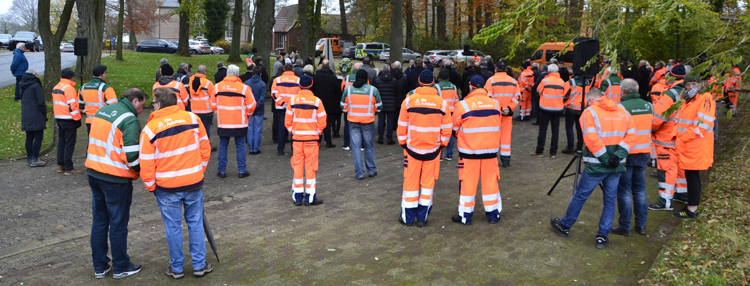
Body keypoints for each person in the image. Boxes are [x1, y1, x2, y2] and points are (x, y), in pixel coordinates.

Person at [138, 88, 212, 279]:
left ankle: (177, 268)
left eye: (153, 103)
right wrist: (199, 170)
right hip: (194, 182)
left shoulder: (150, 128)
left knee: (173, 227)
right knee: (195, 223)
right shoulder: (193, 119)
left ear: (159, 104)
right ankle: (199, 265)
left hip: (167, 187)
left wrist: (150, 185)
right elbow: (205, 147)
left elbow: (146, 162)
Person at [550, 88, 637, 249]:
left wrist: (605, 158)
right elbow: (632, 135)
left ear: (590, 100)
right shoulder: (623, 112)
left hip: (597, 165)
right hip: (616, 165)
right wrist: (617, 156)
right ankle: (602, 236)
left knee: (580, 196)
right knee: (610, 200)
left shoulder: (589, 113)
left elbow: (591, 139)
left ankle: (565, 226)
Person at [86, 87, 147, 279]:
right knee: (118, 224)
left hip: (94, 172)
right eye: (142, 105)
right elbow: (131, 156)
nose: (142, 111)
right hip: (115, 179)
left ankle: (99, 266)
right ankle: (121, 266)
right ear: (135, 101)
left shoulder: (103, 110)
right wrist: (143, 172)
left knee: (99, 221)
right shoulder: (129, 120)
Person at [397, 70, 451, 227]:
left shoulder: (409, 101)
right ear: (433, 82)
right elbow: (447, 128)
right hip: (433, 151)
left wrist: (403, 144)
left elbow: (401, 125)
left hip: (412, 149)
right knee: (427, 186)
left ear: (419, 82)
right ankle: (422, 219)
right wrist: (442, 144)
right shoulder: (441, 103)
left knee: (410, 184)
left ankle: (407, 218)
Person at [451, 75, 503, 225]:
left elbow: (455, 128)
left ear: (470, 86)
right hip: (490, 152)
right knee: (491, 183)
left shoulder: (463, 105)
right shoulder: (495, 104)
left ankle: (465, 216)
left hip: (469, 153)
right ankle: (493, 215)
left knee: (467, 184)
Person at [612, 79, 653, 237]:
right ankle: (641, 225)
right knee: (640, 190)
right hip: (644, 152)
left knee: (624, 191)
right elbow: (653, 125)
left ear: (622, 91)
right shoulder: (648, 105)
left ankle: (625, 226)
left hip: (627, 153)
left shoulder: (620, 108)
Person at [673, 75, 715, 219]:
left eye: (693, 84)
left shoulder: (705, 98)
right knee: (691, 176)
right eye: (687, 85)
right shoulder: (687, 100)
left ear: (699, 84)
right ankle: (691, 206)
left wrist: (683, 138)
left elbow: (702, 124)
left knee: (692, 176)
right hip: (689, 144)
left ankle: (691, 209)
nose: (690, 87)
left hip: (695, 145)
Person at [285, 75, 327, 206]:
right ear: (311, 84)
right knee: (311, 168)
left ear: (299, 85)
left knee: (297, 167)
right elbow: (322, 121)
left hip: (297, 140)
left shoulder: (292, 101)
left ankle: (297, 197)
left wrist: (295, 132)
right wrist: (317, 132)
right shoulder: (317, 101)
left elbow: (287, 122)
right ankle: (310, 197)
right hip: (312, 140)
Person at [215, 65, 257, 178]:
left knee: (223, 146)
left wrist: (220, 113)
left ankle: (221, 171)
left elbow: (212, 104)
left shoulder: (217, 87)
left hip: (223, 122)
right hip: (240, 123)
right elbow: (252, 105)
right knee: (241, 146)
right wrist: (246, 115)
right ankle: (242, 170)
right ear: (237, 74)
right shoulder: (243, 88)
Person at [341, 69, 382, 179]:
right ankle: (372, 170)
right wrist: (373, 112)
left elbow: (342, 106)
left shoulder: (348, 90)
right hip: (368, 122)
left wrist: (349, 111)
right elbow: (379, 107)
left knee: (356, 147)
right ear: (366, 79)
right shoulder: (373, 90)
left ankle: (359, 173)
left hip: (353, 122)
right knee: (369, 146)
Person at [647, 76, 678, 211]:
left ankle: (665, 201)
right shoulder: (693, 93)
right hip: (680, 139)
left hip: (666, 139)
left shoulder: (670, 94)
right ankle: (681, 195)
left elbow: (657, 119)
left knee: (666, 170)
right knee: (676, 168)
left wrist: (651, 129)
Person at [485, 62, 520, 167]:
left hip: (494, 114)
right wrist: (509, 108)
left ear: (496, 69)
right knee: (506, 137)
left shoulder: (490, 80)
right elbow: (517, 96)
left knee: (493, 136)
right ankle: (506, 160)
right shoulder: (513, 81)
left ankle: (492, 158)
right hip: (507, 114)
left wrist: (499, 108)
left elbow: (488, 97)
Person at [531, 64, 565, 158]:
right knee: (555, 131)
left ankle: (540, 151)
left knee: (543, 130)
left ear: (549, 71)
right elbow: (565, 94)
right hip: (558, 109)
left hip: (545, 108)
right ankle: (553, 153)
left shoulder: (545, 80)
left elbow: (538, 91)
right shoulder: (562, 82)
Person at [53, 68, 83, 174]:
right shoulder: (69, 88)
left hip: (59, 118)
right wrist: (77, 119)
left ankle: (61, 165)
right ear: (71, 77)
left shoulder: (56, 87)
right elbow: (73, 105)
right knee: (69, 143)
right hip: (69, 119)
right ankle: (69, 167)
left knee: (61, 142)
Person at [271, 63, 301, 155]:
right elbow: (300, 94)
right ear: (293, 69)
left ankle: (280, 149)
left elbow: (274, 93)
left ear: (284, 69)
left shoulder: (277, 80)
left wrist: (283, 103)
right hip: (294, 108)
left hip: (280, 108)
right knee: (294, 129)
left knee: (281, 129)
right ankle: (294, 150)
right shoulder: (298, 80)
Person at [20, 69, 47, 167]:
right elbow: (41, 102)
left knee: (29, 137)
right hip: (36, 114)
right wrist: (44, 112)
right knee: (38, 136)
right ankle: (35, 158)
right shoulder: (36, 86)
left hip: (26, 114)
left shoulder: (22, 85)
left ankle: (29, 158)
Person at [187, 65, 217, 151]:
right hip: (206, 111)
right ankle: (206, 147)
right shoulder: (208, 83)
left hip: (194, 110)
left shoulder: (191, 81)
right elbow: (213, 96)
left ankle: (197, 146)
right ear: (204, 72)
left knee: (196, 130)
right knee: (206, 130)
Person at [80, 65, 118, 133]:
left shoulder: (83, 87)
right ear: (101, 74)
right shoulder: (106, 88)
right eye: (105, 73)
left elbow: (80, 106)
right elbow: (114, 107)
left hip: (89, 121)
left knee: (91, 142)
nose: (105, 75)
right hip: (103, 121)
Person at [313, 60, 341, 148]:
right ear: (329, 67)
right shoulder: (333, 78)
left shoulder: (316, 77)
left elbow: (313, 90)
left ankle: (318, 140)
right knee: (328, 123)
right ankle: (328, 141)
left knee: (318, 123)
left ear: (321, 66)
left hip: (318, 103)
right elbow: (338, 91)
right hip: (330, 104)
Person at [561, 74, 591, 154]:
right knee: (580, 128)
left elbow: (564, 94)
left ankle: (570, 147)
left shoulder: (570, 82)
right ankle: (579, 147)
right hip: (582, 107)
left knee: (569, 128)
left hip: (571, 107)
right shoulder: (587, 81)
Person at [435, 69, 459, 161]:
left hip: (441, 113)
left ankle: (439, 155)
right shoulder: (454, 87)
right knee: (449, 133)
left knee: (440, 133)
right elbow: (457, 101)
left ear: (440, 77)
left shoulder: (436, 87)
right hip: (451, 113)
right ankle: (449, 154)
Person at [339, 62, 364, 150]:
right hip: (361, 106)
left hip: (349, 105)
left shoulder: (346, 78)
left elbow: (342, 89)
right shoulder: (365, 79)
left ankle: (346, 144)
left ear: (353, 69)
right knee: (361, 126)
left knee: (347, 125)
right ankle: (361, 145)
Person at [374, 64, 400, 145]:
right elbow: (397, 92)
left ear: (382, 71)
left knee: (381, 121)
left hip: (381, 103)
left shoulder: (377, 80)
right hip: (391, 103)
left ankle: (380, 139)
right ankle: (389, 139)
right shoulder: (394, 80)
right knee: (390, 122)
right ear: (389, 71)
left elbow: (375, 93)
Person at [245, 65, 267, 155]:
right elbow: (262, 98)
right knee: (257, 129)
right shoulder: (262, 84)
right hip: (258, 110)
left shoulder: (246, 83)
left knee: (250, 129)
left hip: (249, 109)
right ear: (260, 74)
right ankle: (256, 148)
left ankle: (251, 148)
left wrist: (250, 107)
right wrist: (256, 106)